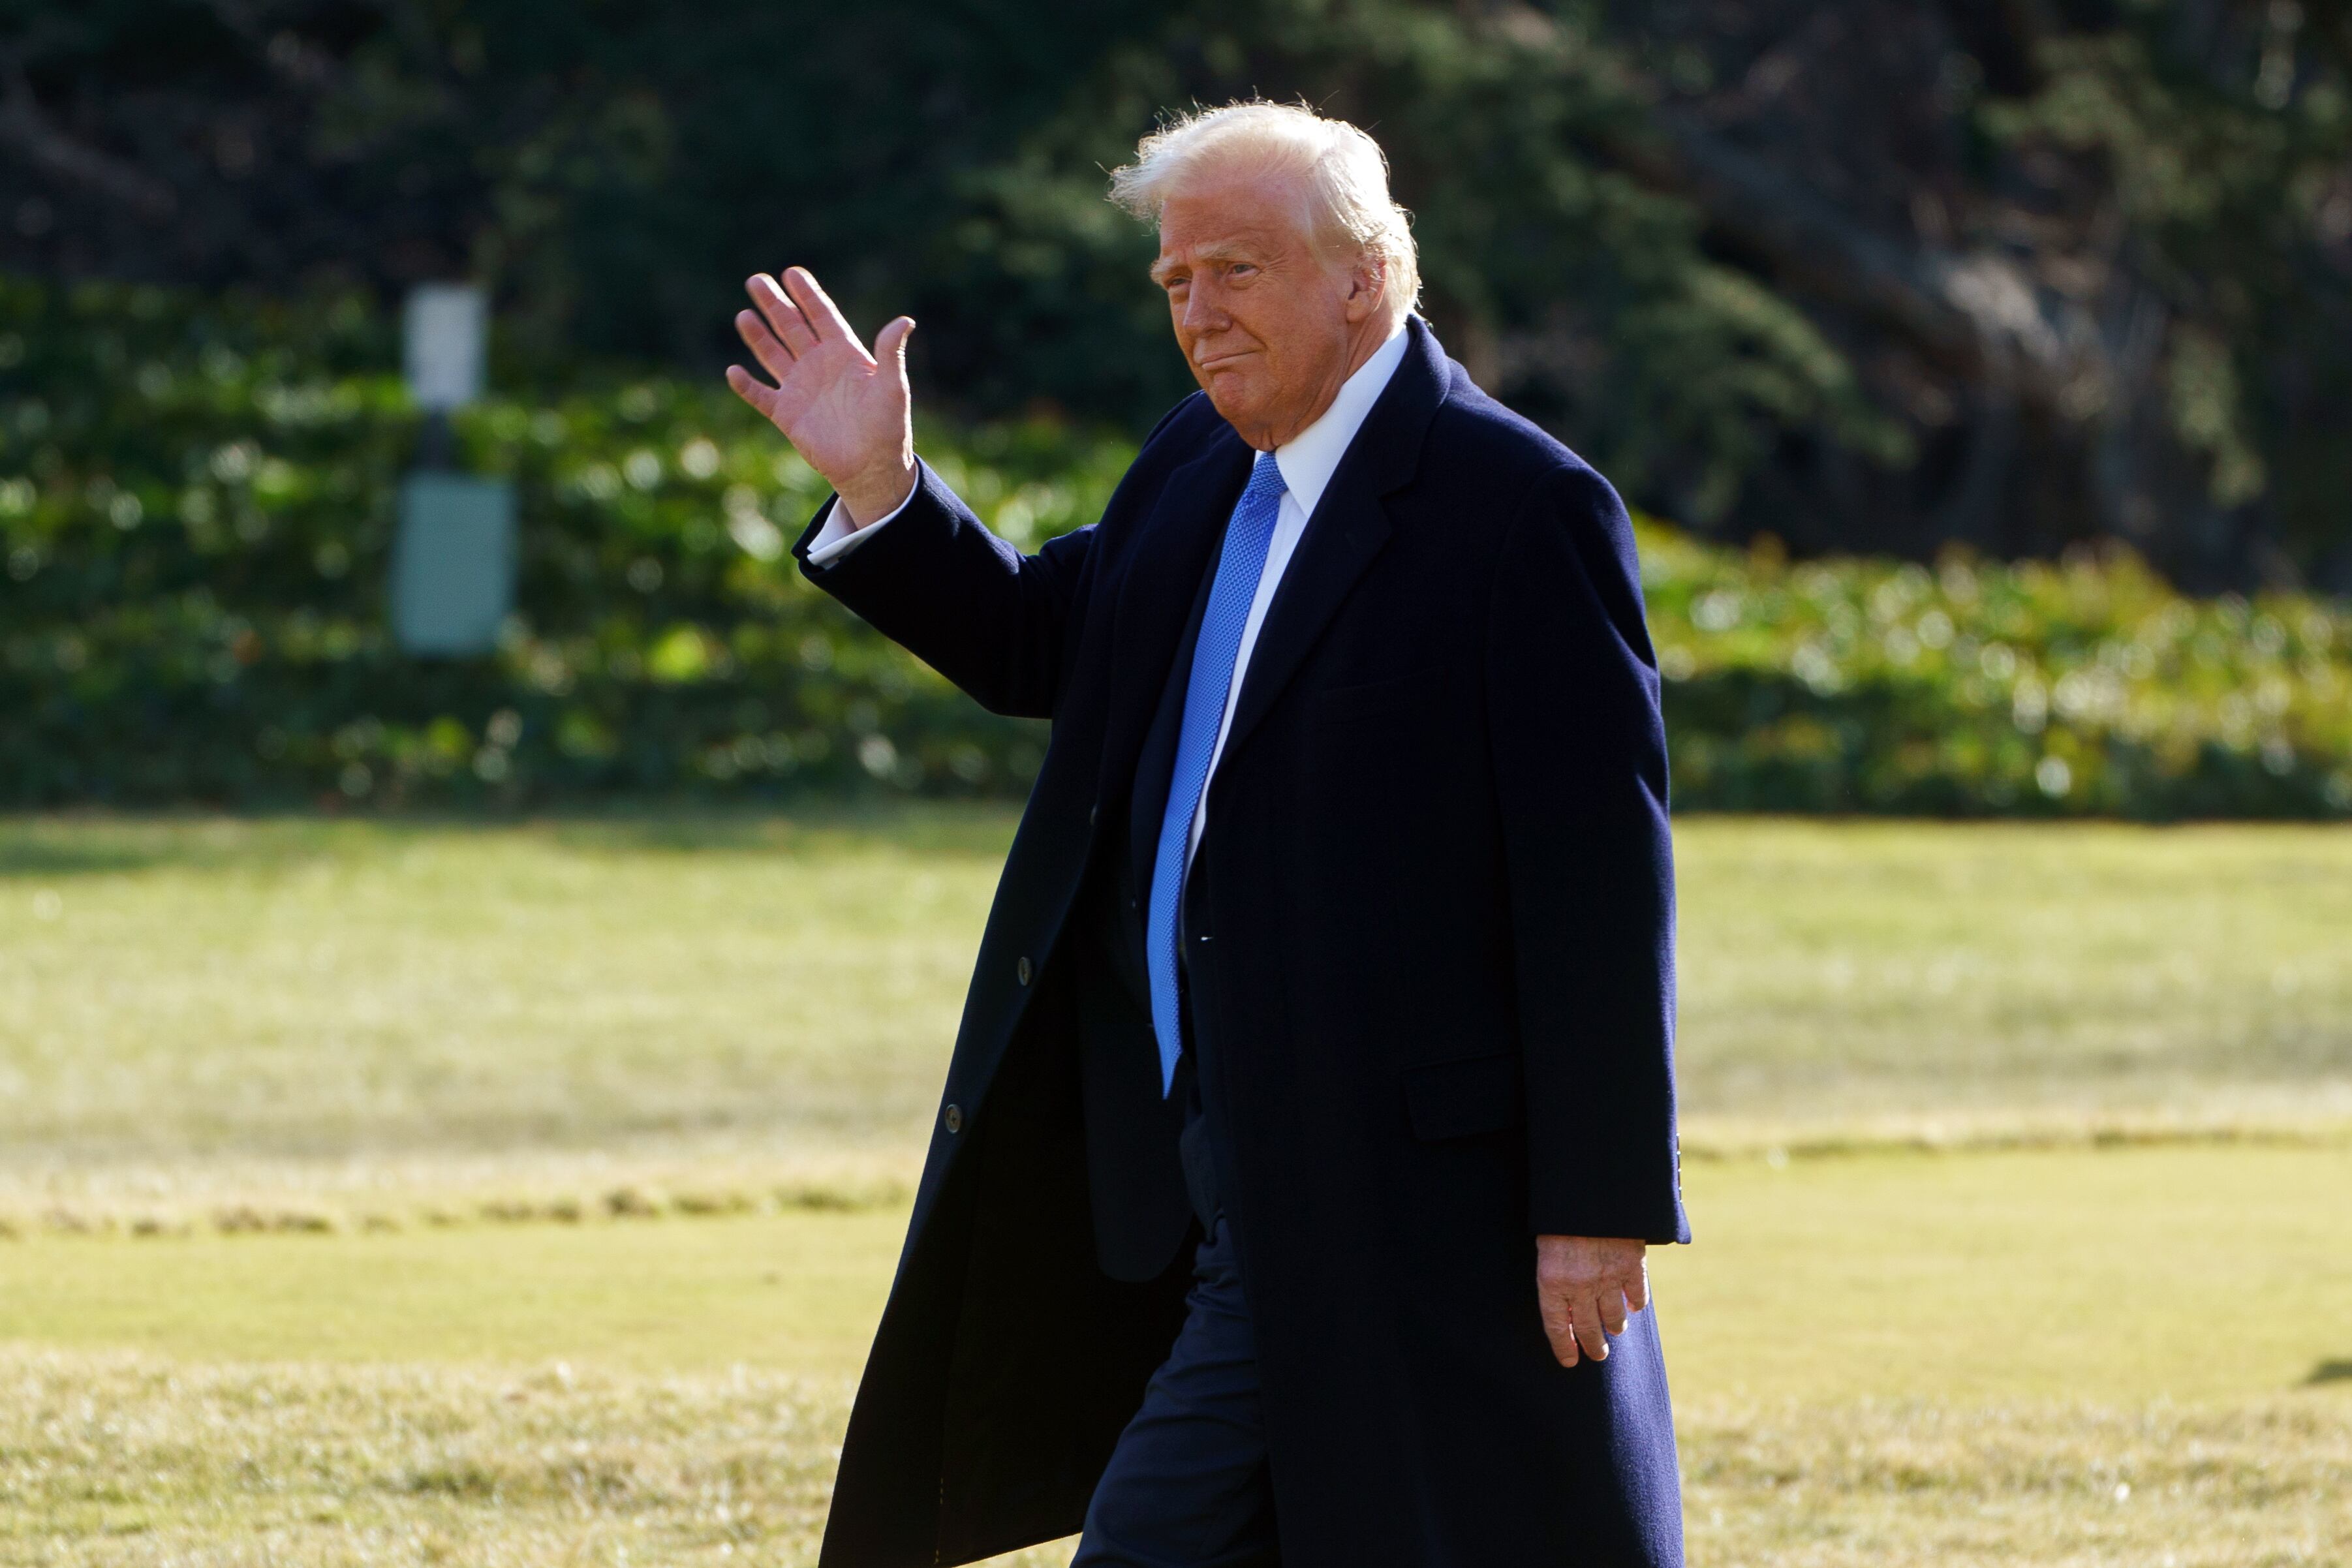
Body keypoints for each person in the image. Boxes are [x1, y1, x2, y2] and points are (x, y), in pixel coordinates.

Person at [727, 100, 1689, 1568]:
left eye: (1234, 271)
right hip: (1180, 1162)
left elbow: (1596, 879)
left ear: (1363, 276)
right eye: (1175, 282)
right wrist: (879, 489)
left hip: (1398, 1190)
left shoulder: (1522, 509)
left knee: (1163, 1536)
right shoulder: (1195, 464)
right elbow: (1039, 642)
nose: (1197, 313)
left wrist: (1599, 1199)